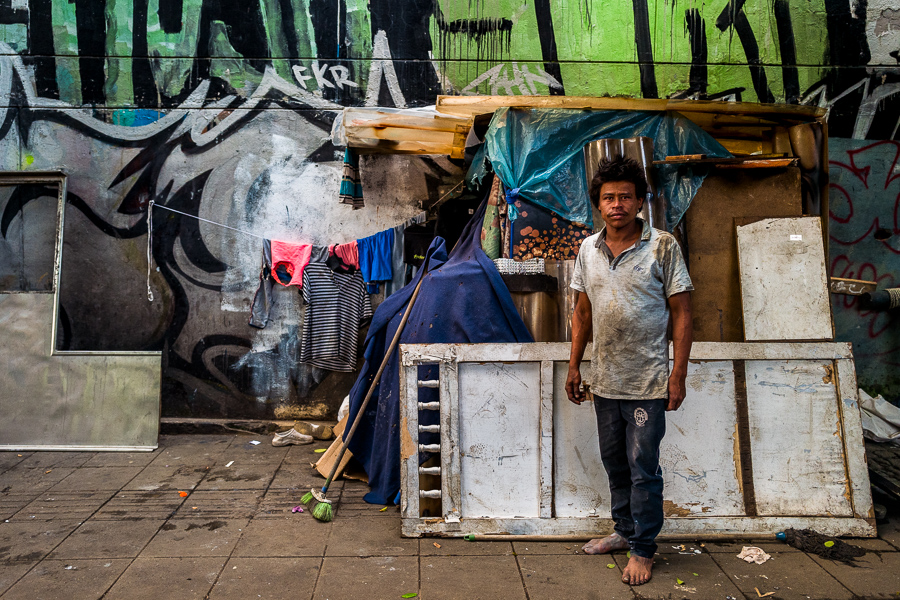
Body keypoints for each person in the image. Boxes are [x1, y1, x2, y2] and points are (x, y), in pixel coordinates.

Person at [565, 156, 693, 586]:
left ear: (640, 200)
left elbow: (682, 313)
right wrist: (574, 367)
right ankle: (623, 532)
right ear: (597, 205)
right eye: (608, 197)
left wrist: (678, 374)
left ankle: (643, 549)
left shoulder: (663, 246)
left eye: (625, 196)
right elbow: (581, 312)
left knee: (643, 466)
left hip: (648, 380)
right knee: (615, 462)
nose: (616, 204)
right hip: (605, 379)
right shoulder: (587, 249)